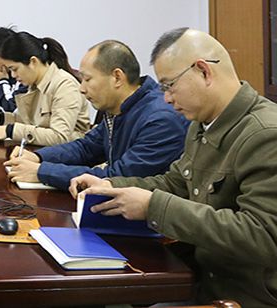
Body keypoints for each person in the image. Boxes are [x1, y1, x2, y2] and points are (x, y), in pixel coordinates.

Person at [70, 28, 277, 307]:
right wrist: (111, 186)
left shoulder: (265, 134)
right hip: (199, 278)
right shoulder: (201, 124)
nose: (166, 98)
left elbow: (263, 235)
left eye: (169, 86)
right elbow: (175, 182)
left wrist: (154, 207)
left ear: (204, 71)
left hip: (244, 295)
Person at [6, 40, 188, 189]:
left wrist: (41, 172)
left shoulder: (161, 119)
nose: (81, 88)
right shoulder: (119, 108)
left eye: (87, 79)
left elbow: (117, 177)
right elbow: (86, 148)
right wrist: (39, 157)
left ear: (117, 77)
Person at [0, 31, 91, 146]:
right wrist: (0, 119)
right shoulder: (35, 84)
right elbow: (29, 120)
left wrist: (10, 131)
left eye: (15, 69)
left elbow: (59, 137)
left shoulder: (65, 85)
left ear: (33, 62)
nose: (13, 75)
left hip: (68, 152)